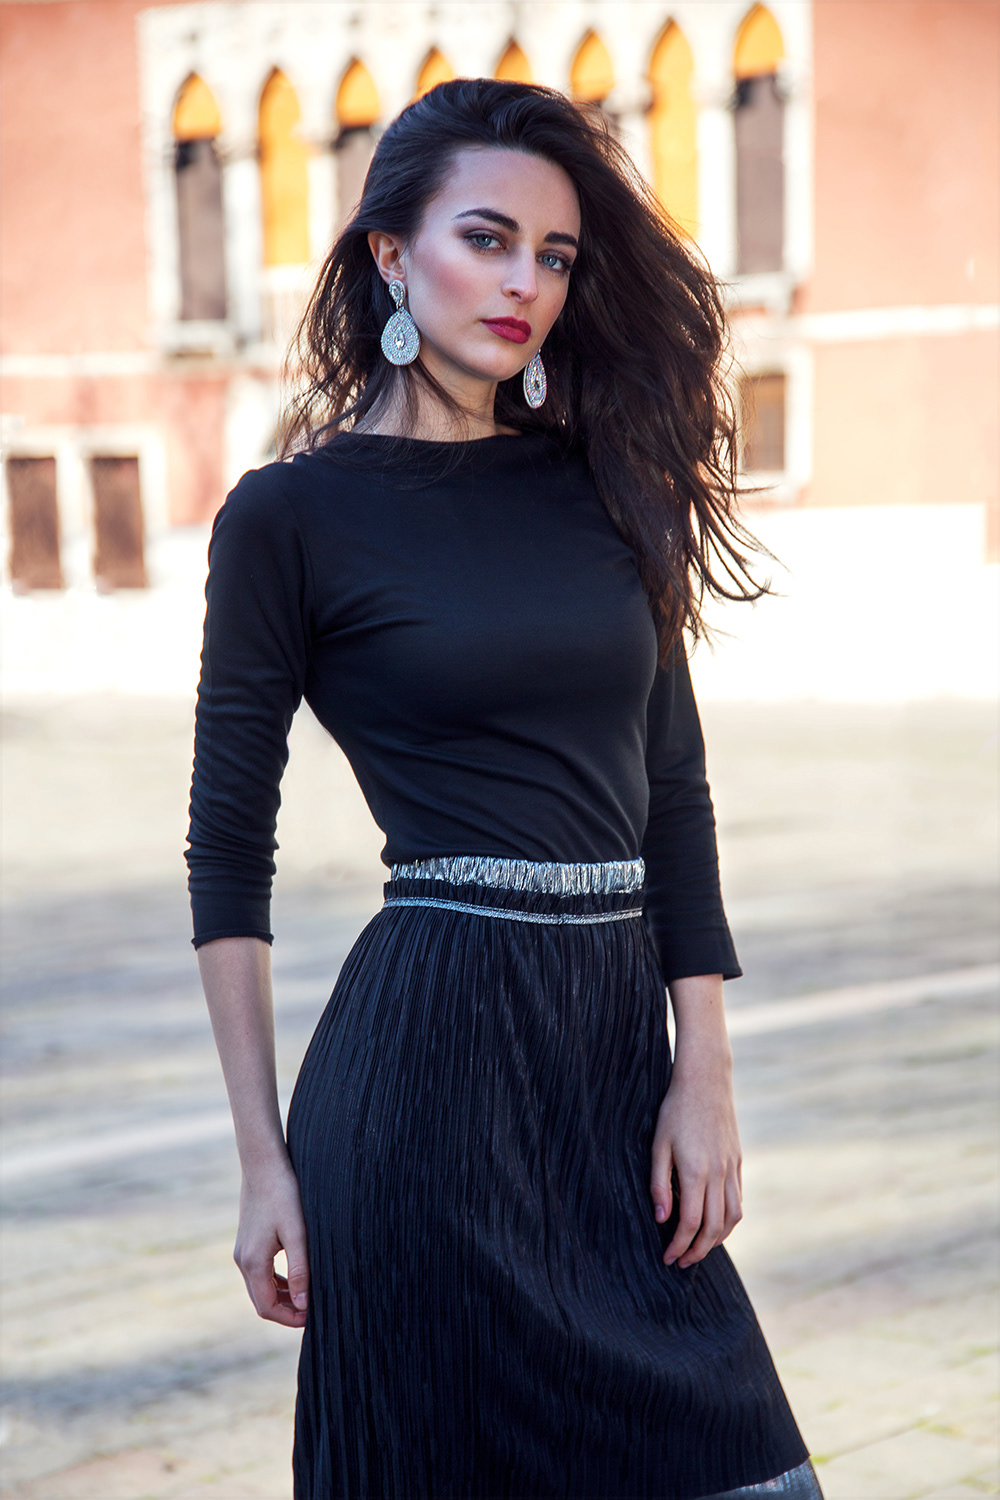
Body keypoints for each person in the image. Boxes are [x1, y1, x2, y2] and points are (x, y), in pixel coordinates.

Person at [186, 79, 822, 1500]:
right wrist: (264, 1162)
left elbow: (674, 794)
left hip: (613, 1074)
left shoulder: (603, 488)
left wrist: (704, 1071)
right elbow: (227, 850)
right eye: (487, 239)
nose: (526, 282)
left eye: (556, 255)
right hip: (425, 1091)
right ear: (390, 254)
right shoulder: (289, 518)